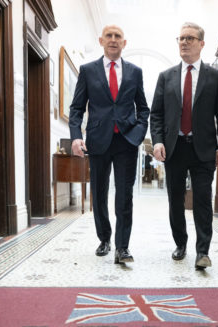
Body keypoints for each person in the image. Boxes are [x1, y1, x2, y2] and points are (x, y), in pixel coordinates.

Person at [150, 22, 218, 269]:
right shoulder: (166, 76)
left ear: (201, 44)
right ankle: (180, 244)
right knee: (175, 199)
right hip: (174, 148)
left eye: (190, 38)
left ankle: (202, 251)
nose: (184, 42)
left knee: (203, 200)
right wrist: (158, 141)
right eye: (181, 38)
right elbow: (157, 114)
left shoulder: (215, 77)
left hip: (203, 148)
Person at [69, 25, 149, 264]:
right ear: (101, 40)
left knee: (124, 195)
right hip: (97, 140)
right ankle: (105, 238)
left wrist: (137, 134)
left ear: (124, 43)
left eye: (118, 37)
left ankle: (122, 248)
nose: (113, 40)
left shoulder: (135, 72)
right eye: (109, 36)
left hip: (126, 141)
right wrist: (76, 135)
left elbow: (143, 109)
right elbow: (76, 108)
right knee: (99, 192)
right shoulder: (87, 70)